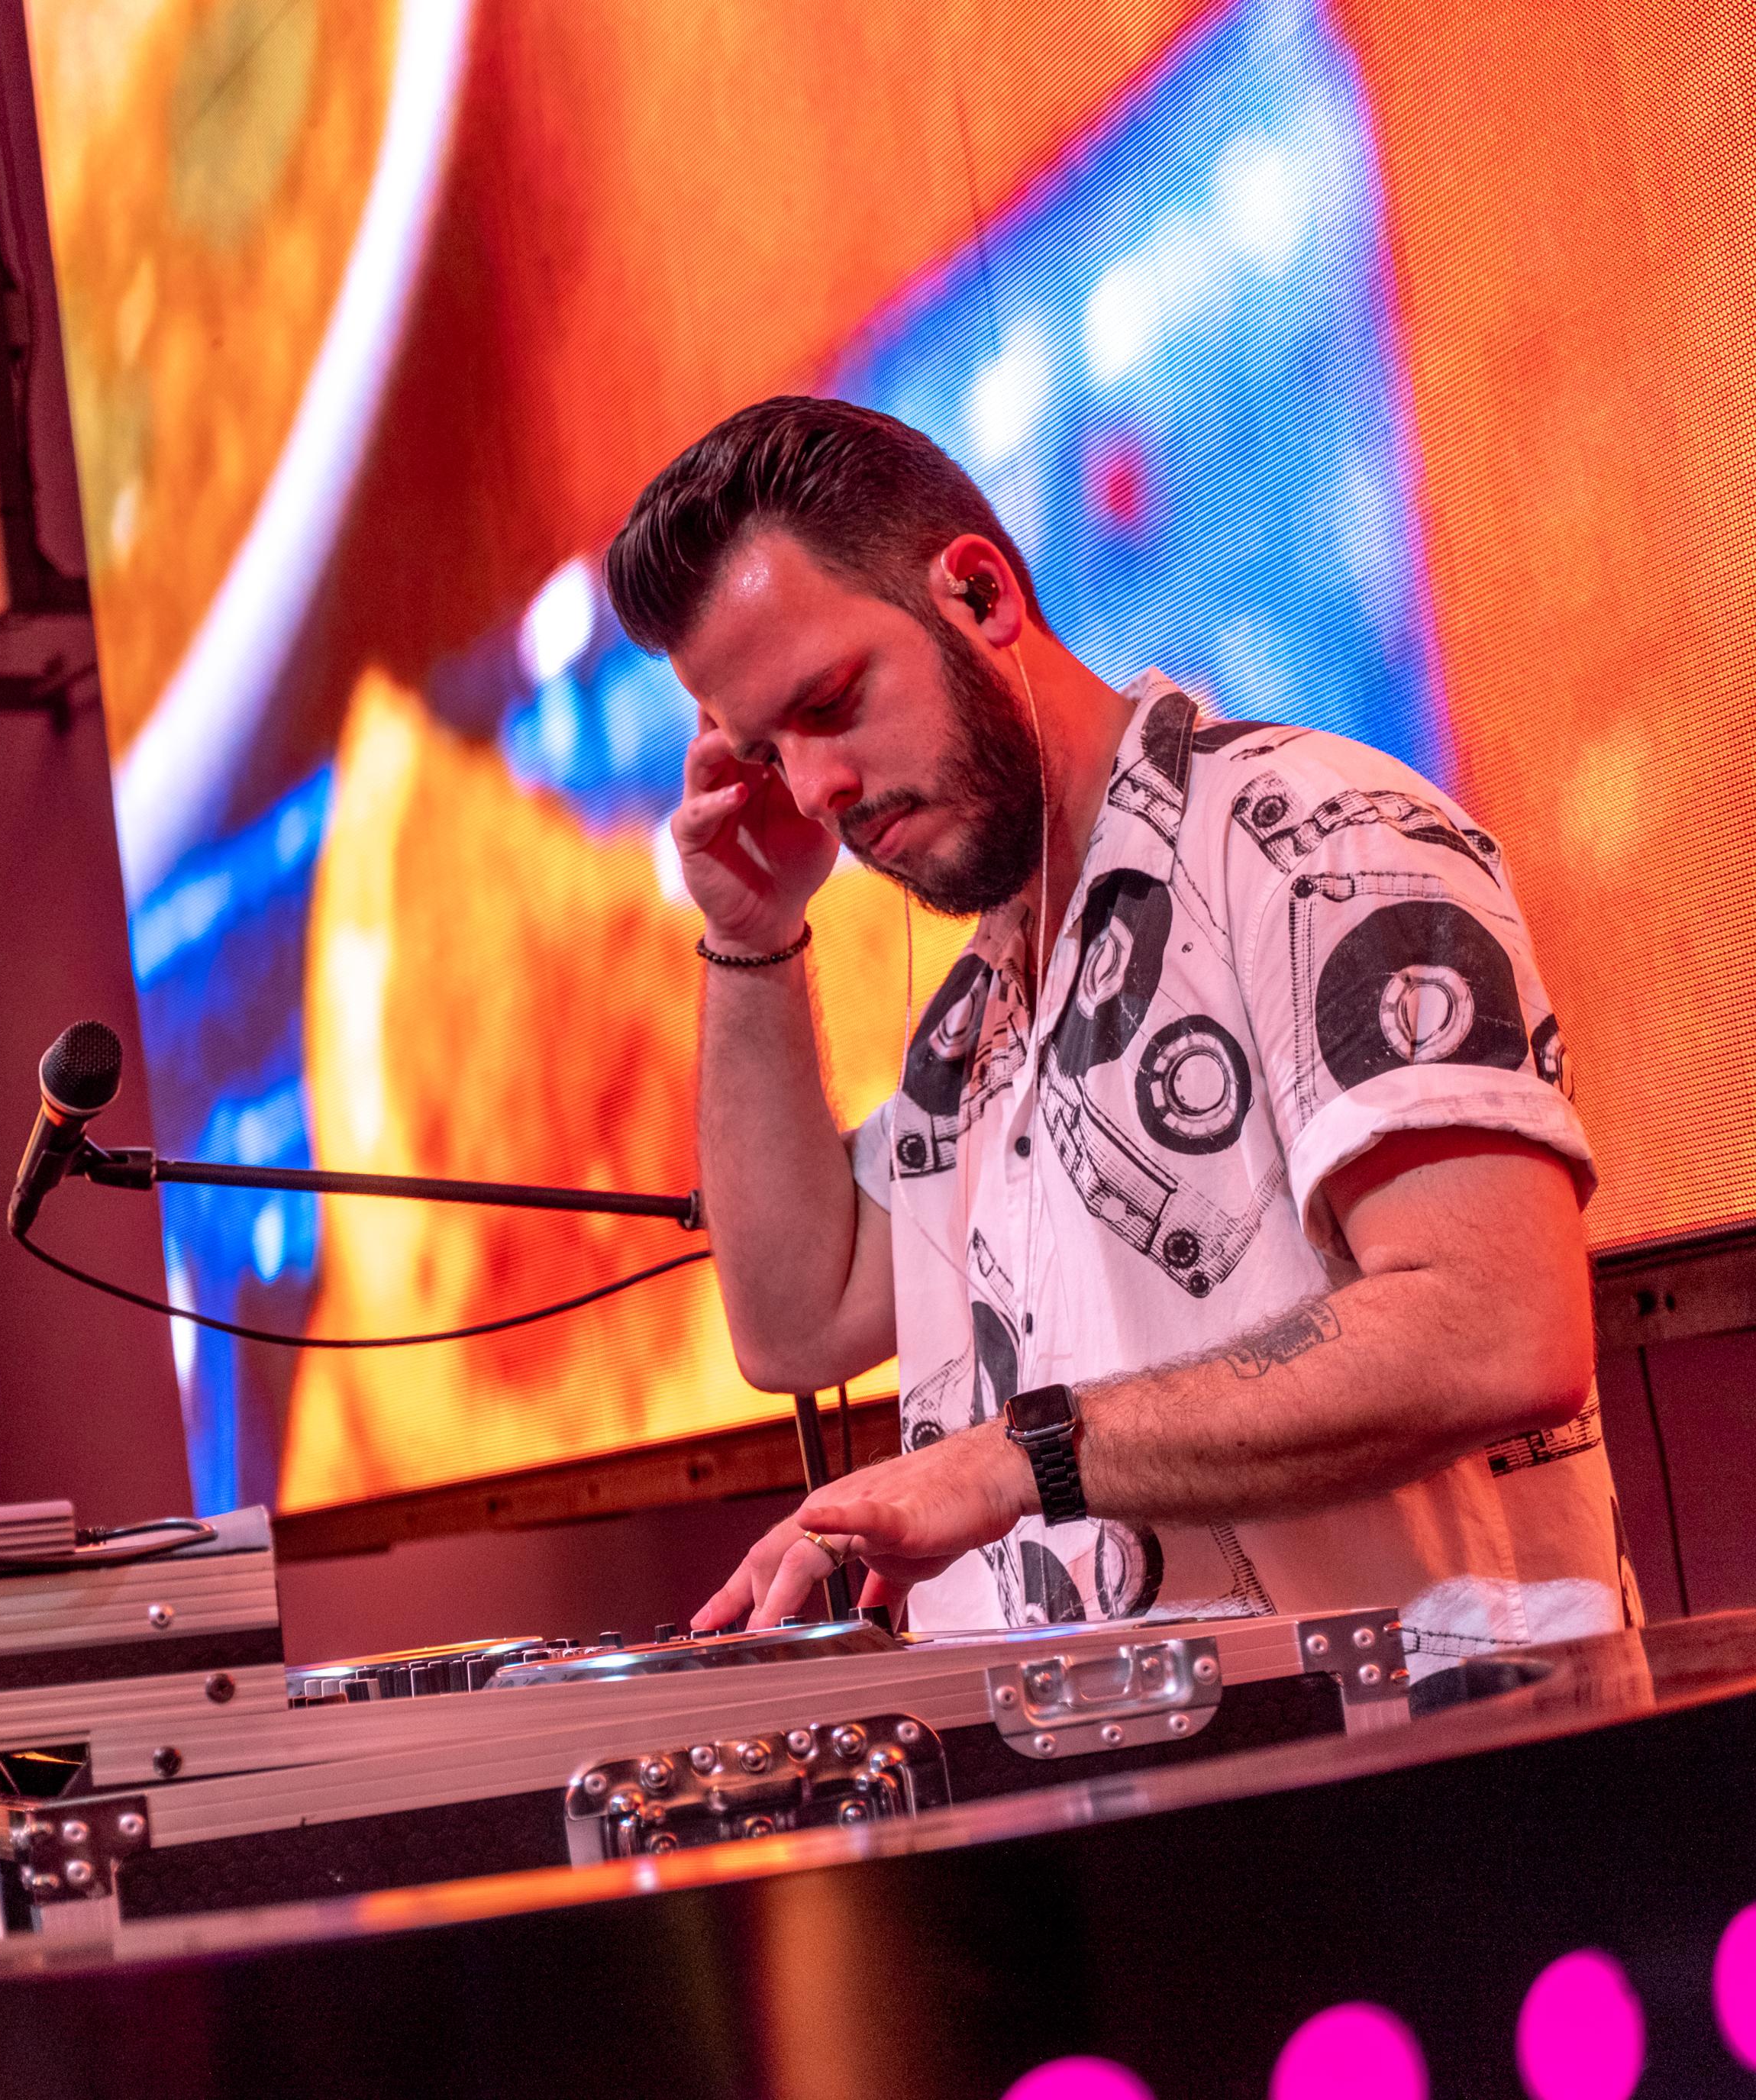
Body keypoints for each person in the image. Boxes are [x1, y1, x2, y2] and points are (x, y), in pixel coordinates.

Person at [602, 395, 1635, 1674]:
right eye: (768, 754)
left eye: (831, 702)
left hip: (1457, 1776)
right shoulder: (978, 1016)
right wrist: (753, 936)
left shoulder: (1316, 833)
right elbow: (795, 1323)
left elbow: (1498, 1326)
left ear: (980, 595)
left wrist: (1017, 1456)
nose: (816, 791)